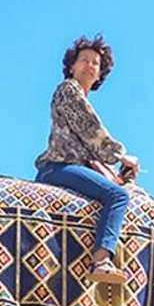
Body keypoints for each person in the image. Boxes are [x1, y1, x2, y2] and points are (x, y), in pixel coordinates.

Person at [33, 35, 141, 285]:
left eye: (95, 63)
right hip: (58, 167)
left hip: (70, 167)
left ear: (100, 74)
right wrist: (121, 155)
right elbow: (89, 129)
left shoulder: (80, 98)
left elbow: (91, 149)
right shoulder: (68, 90)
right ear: (72, 66)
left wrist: (115, 169)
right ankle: (101, 261)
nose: (90, 65)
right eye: (84, 60)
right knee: (118, 196)